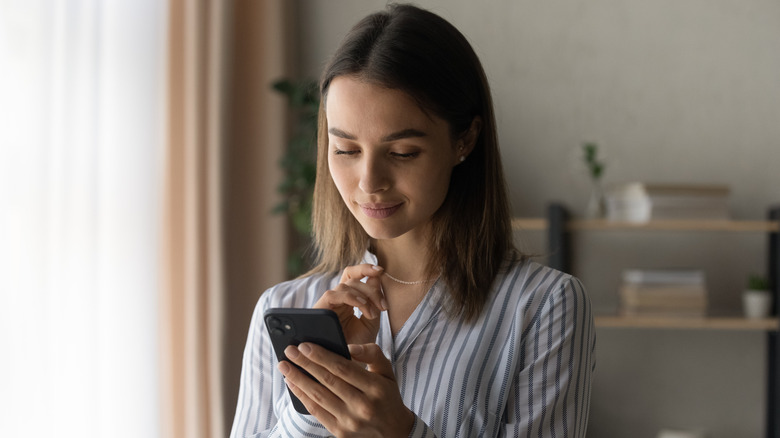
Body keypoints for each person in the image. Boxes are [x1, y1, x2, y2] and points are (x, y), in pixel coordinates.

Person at [230, 3, 595, 437]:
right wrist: (309, 404)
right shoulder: (282, 308)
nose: (369, 182)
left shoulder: (543, 306)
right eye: (345, 150)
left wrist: (402, 433)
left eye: (402, 153)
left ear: (465, 139)